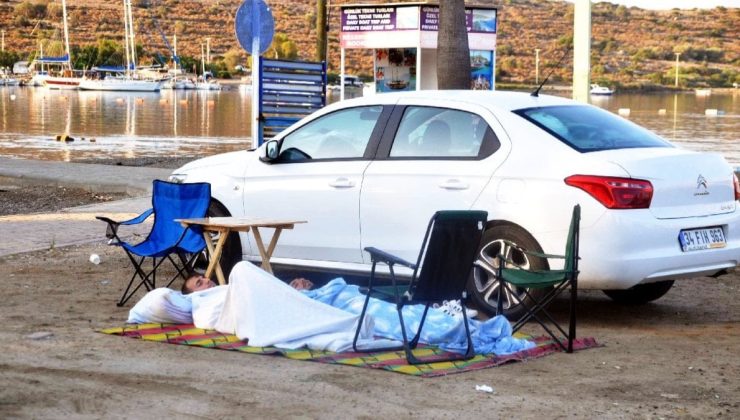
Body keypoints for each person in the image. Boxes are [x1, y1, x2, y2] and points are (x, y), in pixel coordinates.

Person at [131, 262, 534, 355]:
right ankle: (455, 331)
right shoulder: (203, 310)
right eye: (196, 283)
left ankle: (457, 327)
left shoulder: (228, 289)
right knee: (375, 317)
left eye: (204, 279)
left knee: (366, 301)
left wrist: (293, 288)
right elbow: (241, 315)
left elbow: (265, 294)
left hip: (314, 297)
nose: (205, 283)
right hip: (313, 308)